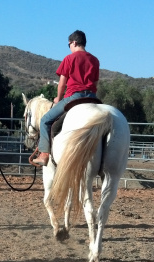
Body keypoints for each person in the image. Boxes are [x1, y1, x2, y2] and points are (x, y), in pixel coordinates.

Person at [32, 30, 100, 166]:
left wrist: (58, 97)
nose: (69, 47)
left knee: (45, 120)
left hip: (74, 97)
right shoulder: (95, 60)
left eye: (68, 44)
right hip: (92, 98)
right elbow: (96, 82)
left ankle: (44, 154)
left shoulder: (69, 59)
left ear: (74, 42)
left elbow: (62, 82)